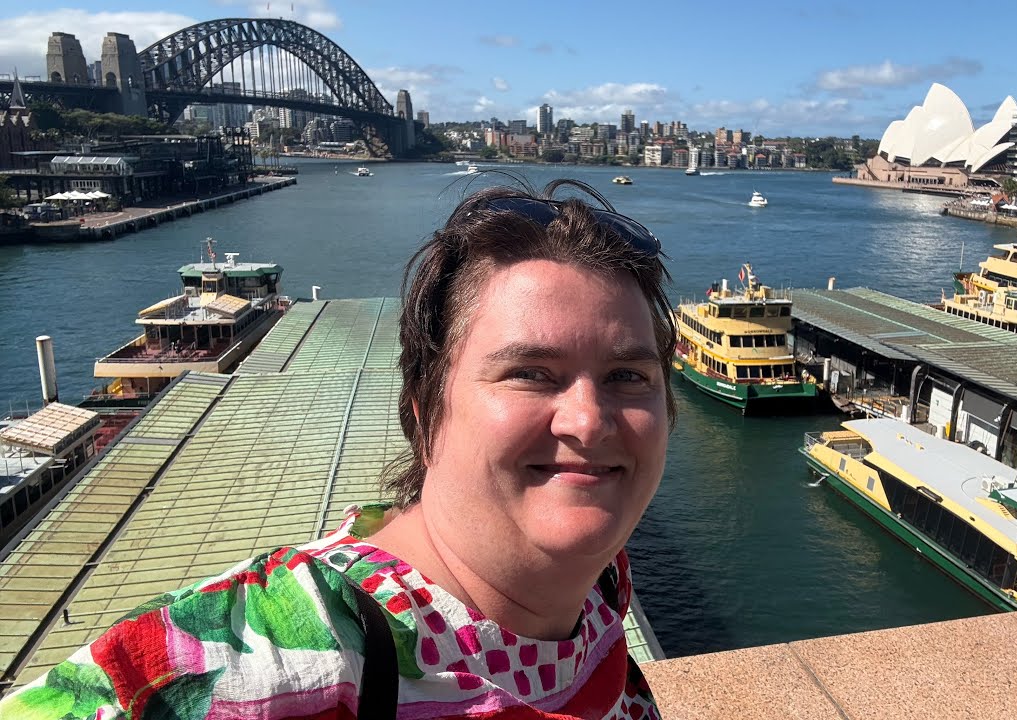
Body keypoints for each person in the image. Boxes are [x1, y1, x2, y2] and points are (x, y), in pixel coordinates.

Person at [0, 178, 674, 719]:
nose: (589, 421)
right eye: (531, 373)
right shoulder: (269, 657)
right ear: (424, 410)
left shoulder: (599, 591)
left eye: (629, 376)